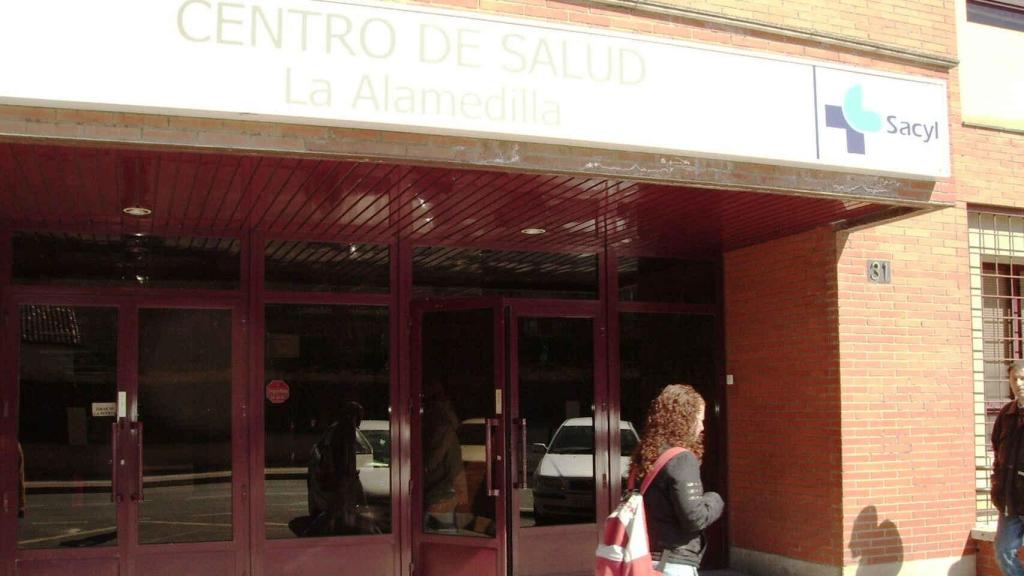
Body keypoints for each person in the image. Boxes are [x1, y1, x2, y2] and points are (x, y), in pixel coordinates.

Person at [630, 384, 723, 576]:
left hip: (643, 558)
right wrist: (715, 500)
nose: (702, 427)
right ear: (685, 420)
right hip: (672, 562)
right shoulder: (682, 459)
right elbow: (694, 518)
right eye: (699, 420)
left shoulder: (644, 456)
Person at [992, 360, 1024, 575]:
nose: (1019, 383)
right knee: (1003, 550)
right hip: (1010, 499)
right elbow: (997, 451)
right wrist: (997, 482)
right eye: (1015, 379)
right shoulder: (1006, 414)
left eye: (1023, 378)